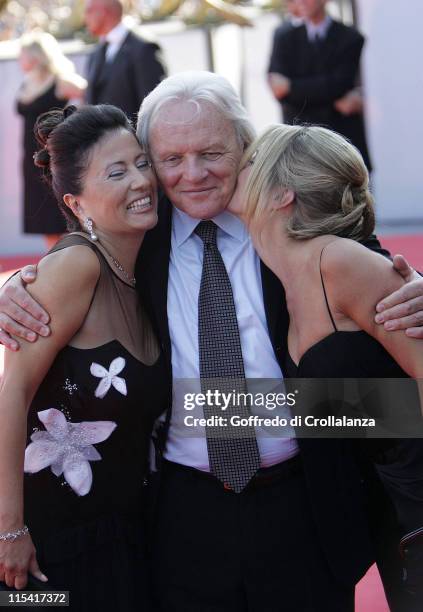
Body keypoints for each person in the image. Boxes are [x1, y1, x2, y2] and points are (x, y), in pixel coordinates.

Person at [1, 72, 423, 610]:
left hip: (306, 504)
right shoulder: (140, 237)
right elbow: (82, 247)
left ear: (246, 148)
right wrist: (17, 286)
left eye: (211, 153)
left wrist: (413, 288)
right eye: (170, 159)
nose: (192, 174)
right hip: (181, 516)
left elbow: (375, 265)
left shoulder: (292, 219)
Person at [228, 122, 423, 611]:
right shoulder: (279, 270)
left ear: (281, 195)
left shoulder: (340, 261)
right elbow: (352, 403)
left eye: (250, 163)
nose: (234, 167)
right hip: (372, 507)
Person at [0, 104, 169, 610]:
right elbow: (13, 393)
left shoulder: (144, 267)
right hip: (49, 551)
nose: (140, 181)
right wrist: (9, 529)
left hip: (123, 532)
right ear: (76, 203)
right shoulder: (76, 266)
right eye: (116, 172)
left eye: (142, 163)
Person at [267, 0, 372, 170]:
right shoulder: (283, 37)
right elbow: (278, 90)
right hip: (301, 150)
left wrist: (292, 87)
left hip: (344, 148)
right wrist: (330, 95)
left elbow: (340, 84)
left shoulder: (351, 38)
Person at [16, 30, 86, 250]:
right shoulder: (26, 84)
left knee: (61, 212)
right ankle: (53, 259)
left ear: (36, 55)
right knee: (42, 218)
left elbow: (90, 96)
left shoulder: (60, 80)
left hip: (55, 157)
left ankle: (73, 260)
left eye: (23, 54)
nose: (20, 59)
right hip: (31, 160)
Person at [84, 0, 166, 125]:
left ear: (103, 12)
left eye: (89, 10)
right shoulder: (96, 53)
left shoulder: (143, 48)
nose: (84, 17)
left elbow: (154, 106)